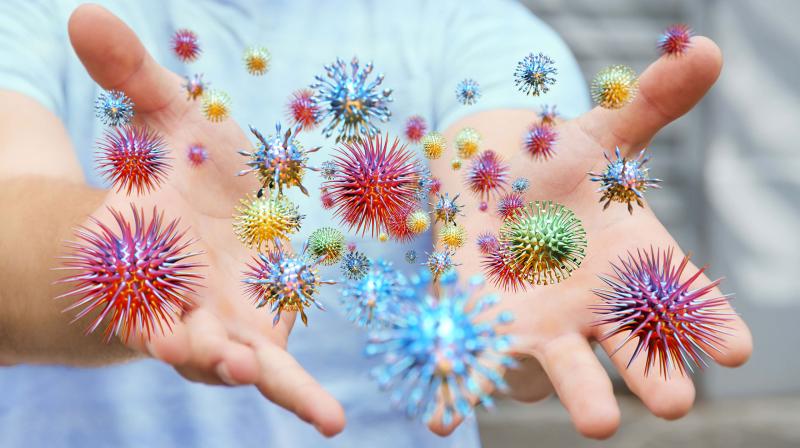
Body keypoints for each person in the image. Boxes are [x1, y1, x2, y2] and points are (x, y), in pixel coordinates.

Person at [0, 1, 752, 446]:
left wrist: (521, 299)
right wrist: (138, 257)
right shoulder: (35, 15)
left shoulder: (477, 29)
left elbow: (509, 158)